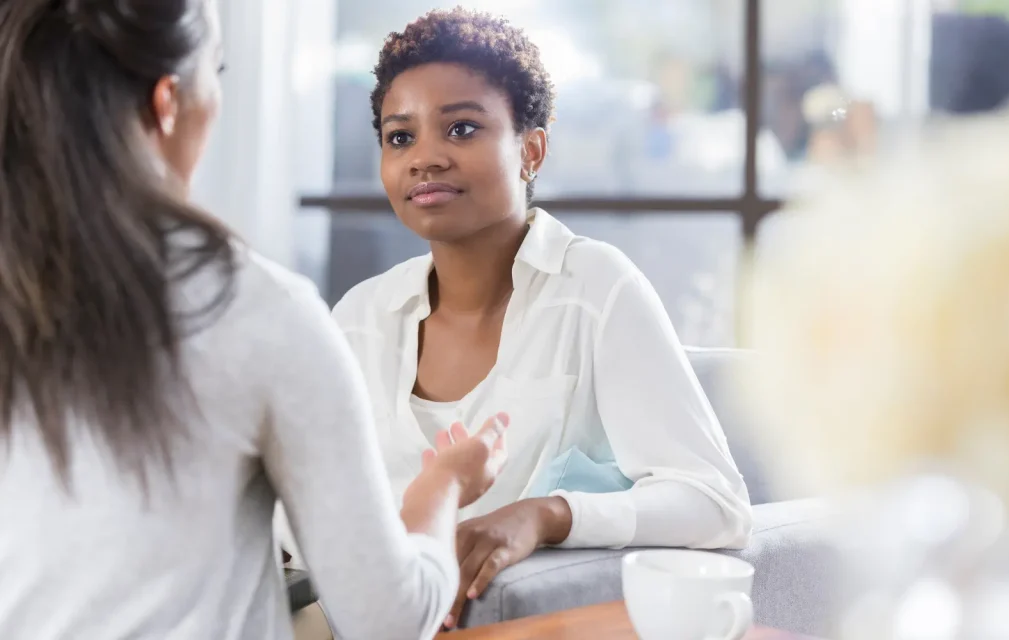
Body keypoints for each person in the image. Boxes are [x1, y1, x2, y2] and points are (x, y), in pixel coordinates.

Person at [0, 2, 508, 639]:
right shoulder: (255, 311)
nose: (424, 158)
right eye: (216, 70)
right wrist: (442, 484)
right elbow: (385, 619)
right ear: (167, 102)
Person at [331, 8, 754, 630]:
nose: (425, 158)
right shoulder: (360, 316)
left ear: (531, 149)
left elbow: (715, 505)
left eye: (462, 129)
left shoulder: (595, 288)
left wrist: (545, 515)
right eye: (401, 137)